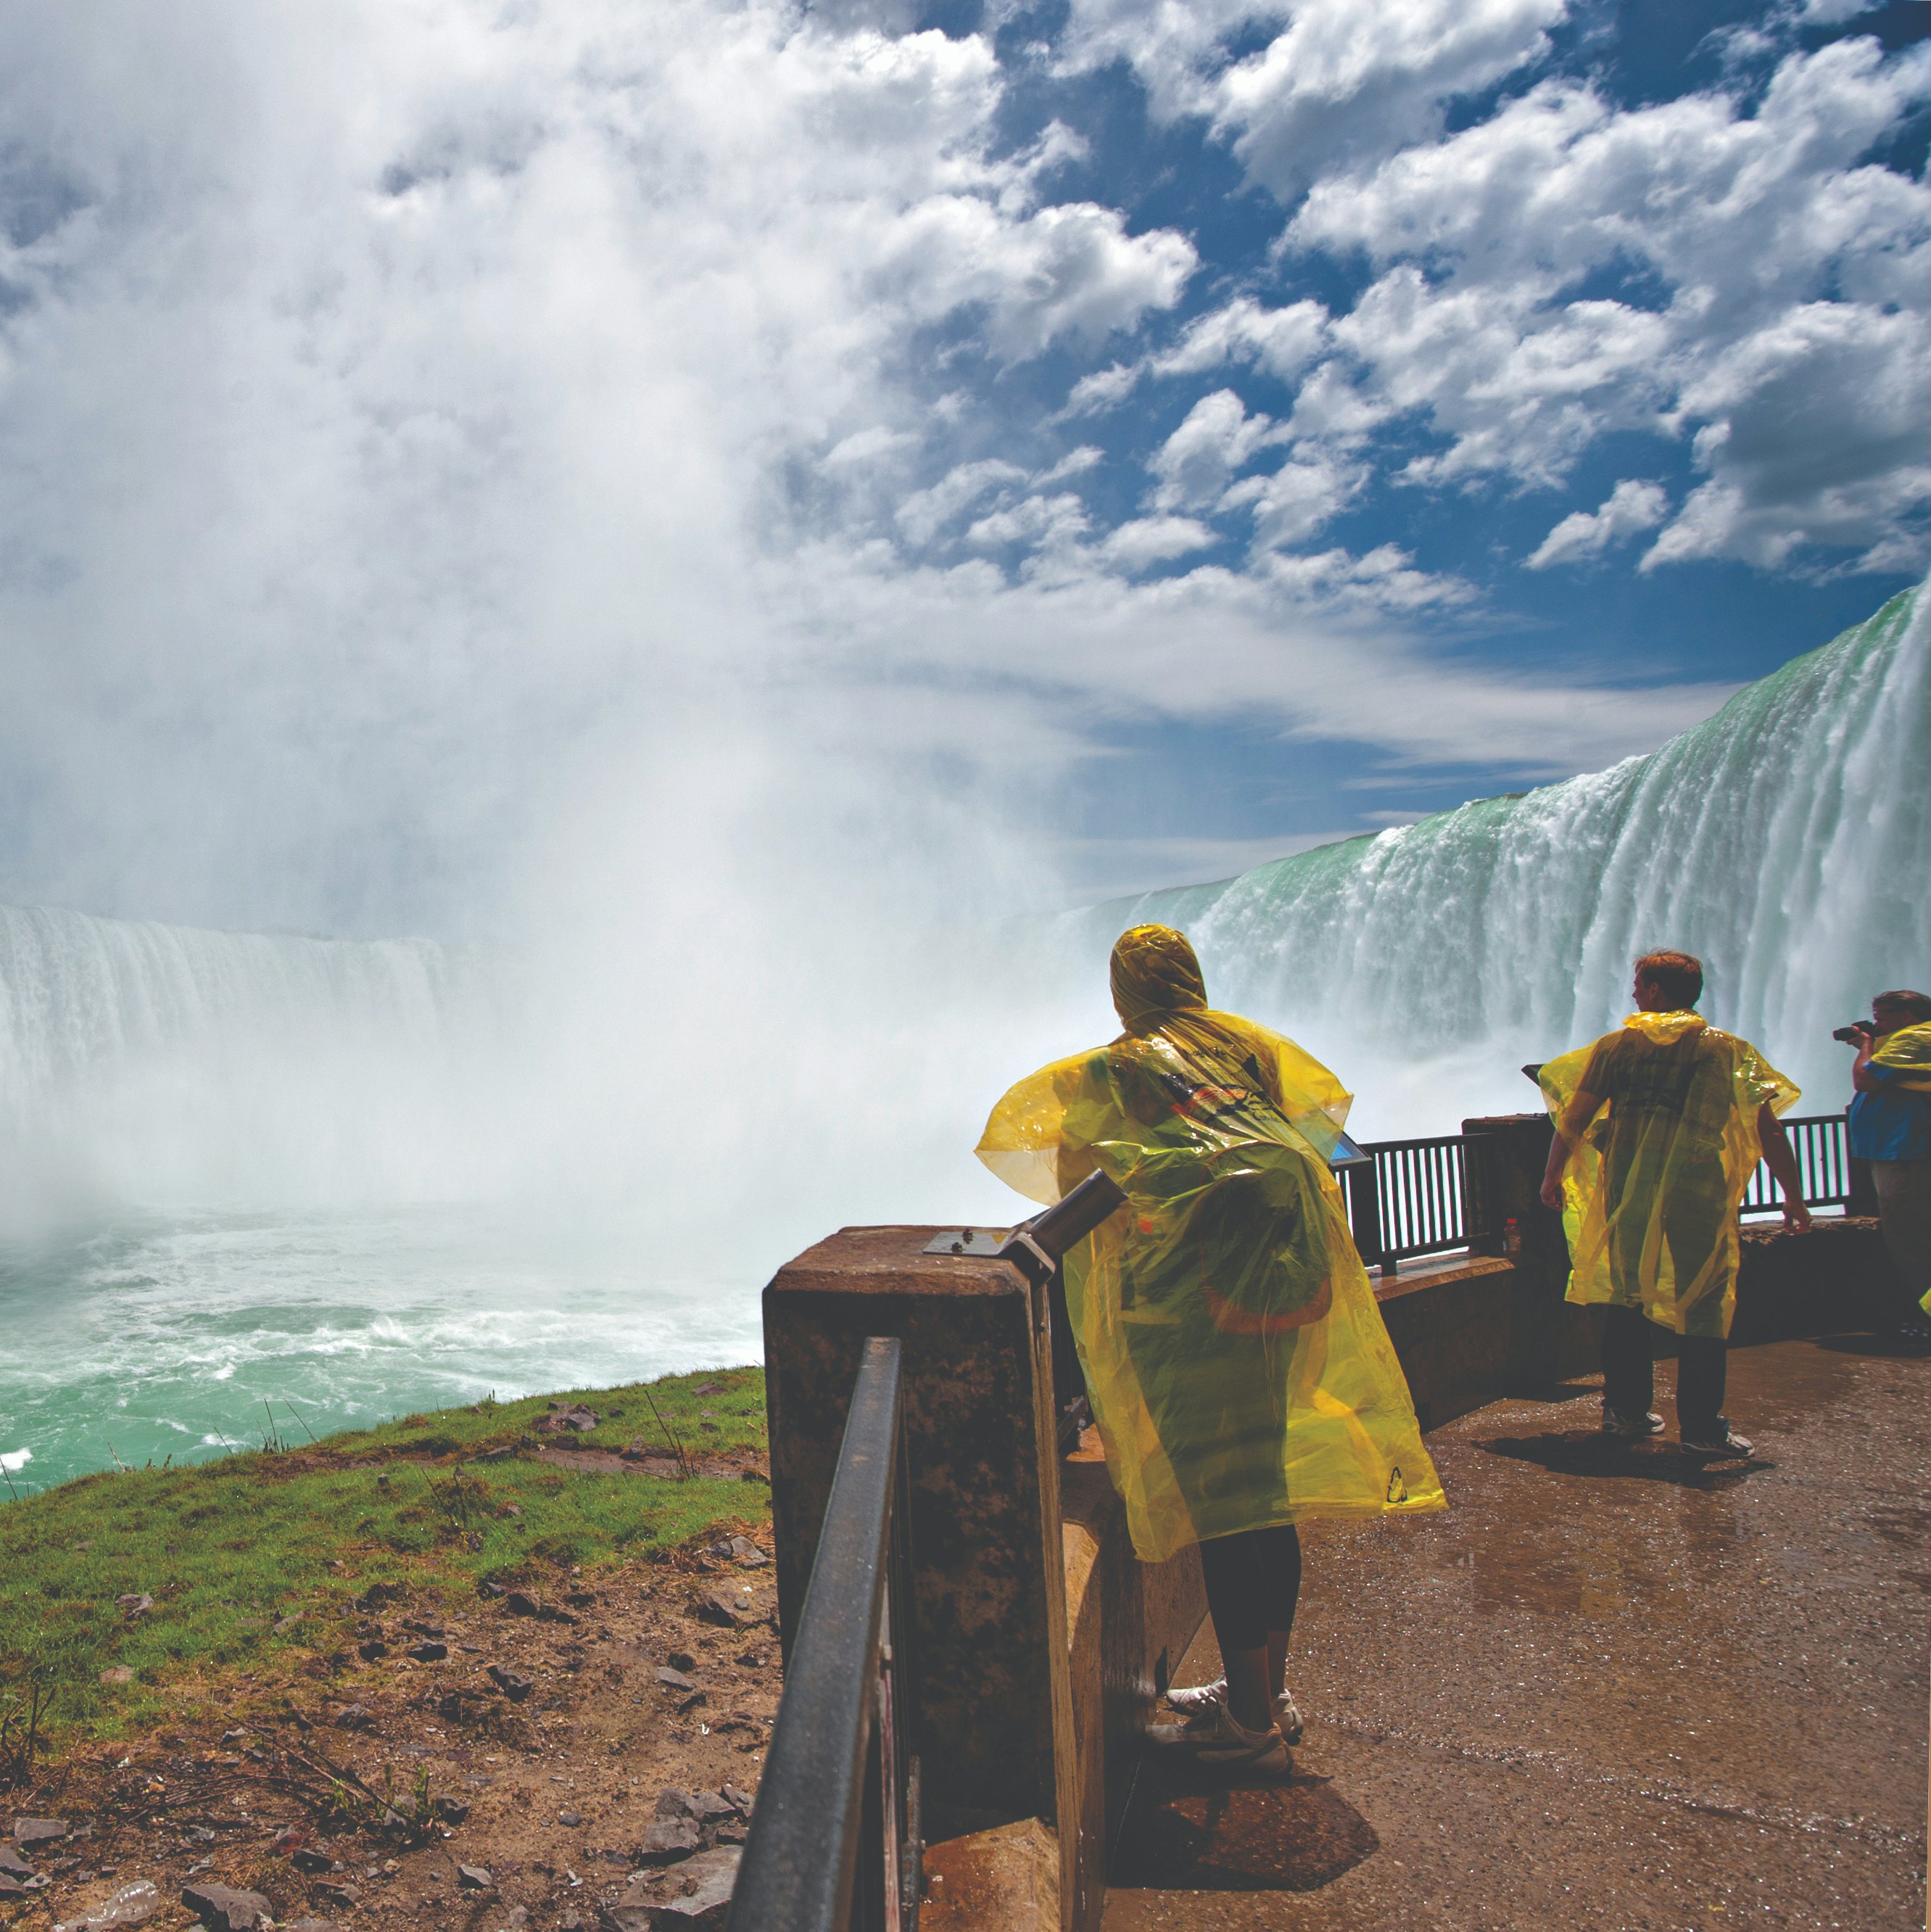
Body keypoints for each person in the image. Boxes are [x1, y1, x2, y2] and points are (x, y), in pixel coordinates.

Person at [976, 924, 1444, 1775]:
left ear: (1122, 989)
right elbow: (1311, 1122)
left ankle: (1252, 1728)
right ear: (1189, 976)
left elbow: (1070, 1165)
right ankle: (1263, 1688)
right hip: (1281, 1288)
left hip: (1187, 1310)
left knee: (1226, 1515)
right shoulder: (1246, 1048)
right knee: (1263, 1496)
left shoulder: (1114, 1070)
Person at [1537, 950, 1808, 1458]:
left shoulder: (1616, 1048)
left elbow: (1575, 1117)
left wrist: (1552, 1173)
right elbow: (1767, 1129)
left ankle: (1625, 1412)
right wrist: (1792, 1198)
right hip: (1695, 1189)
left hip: (1628, 1191)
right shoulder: (1725, 1050)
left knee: (1625, 1295)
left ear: (1657, 991)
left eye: (1639, 984)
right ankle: (1704, 1429)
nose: (1634, 993)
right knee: (1703, 1302)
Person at [1844, 989, 1931, 1332]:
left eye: (1880, 1016)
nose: (1876, 1023)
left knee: (1911, 1240)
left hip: (1905, 1153)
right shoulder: (1916, 1039)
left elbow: (1865, 1079)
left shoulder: (1913, 1038)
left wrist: (1866, 1043)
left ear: (1907, 1015)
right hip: (1908, 1150)